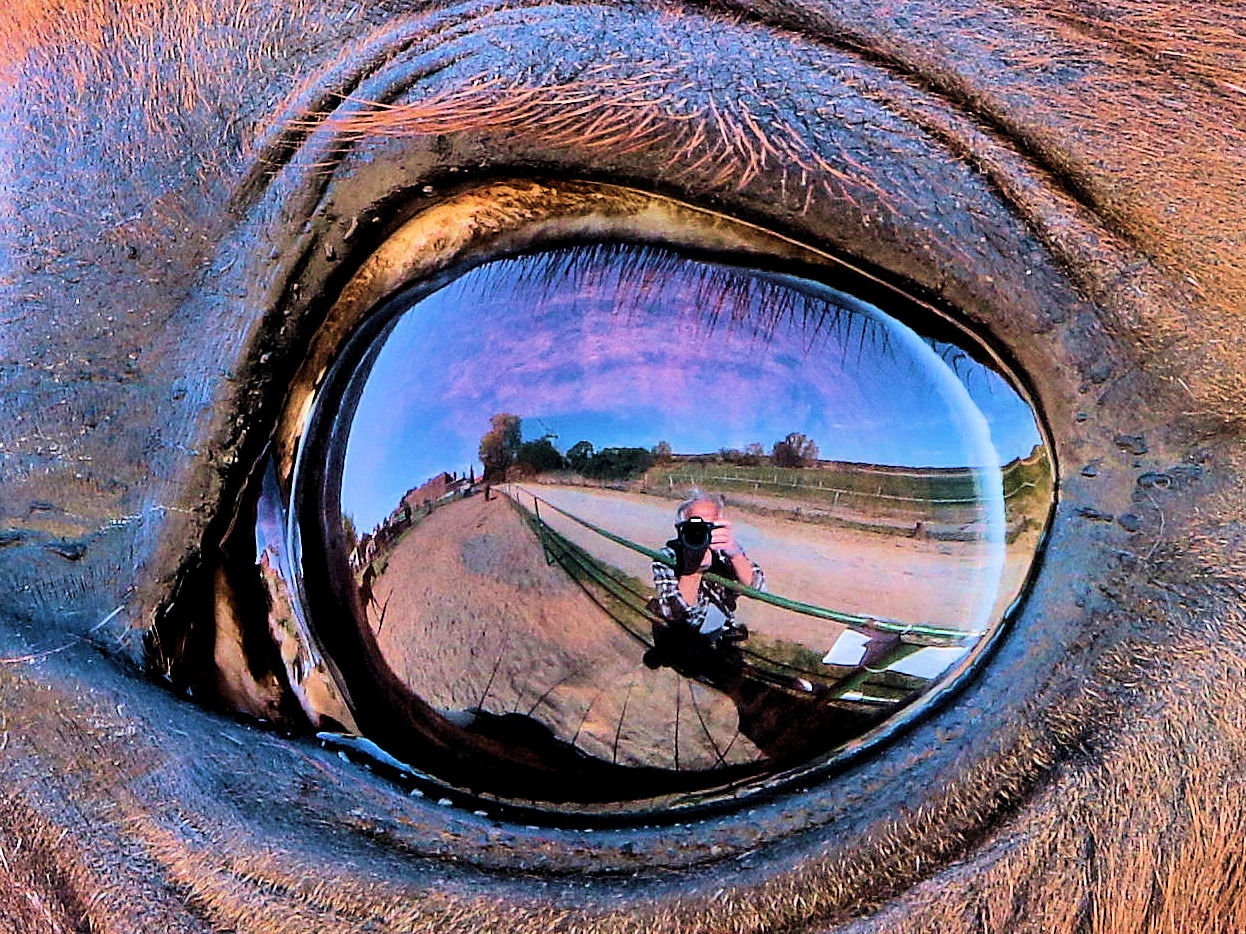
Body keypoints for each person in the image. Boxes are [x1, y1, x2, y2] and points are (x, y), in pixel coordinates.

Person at [646, 491, 764, 668]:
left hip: (719, 619)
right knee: (685, 653)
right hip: (686, 630)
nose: (701, 533)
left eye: (710, 527)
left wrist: (735, 554)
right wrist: (693, 571)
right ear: (680, 529)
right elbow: (673, 612)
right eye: (694, 527)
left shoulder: (725, 551)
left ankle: (723, 637)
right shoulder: (667, 556)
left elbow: (758, 589)